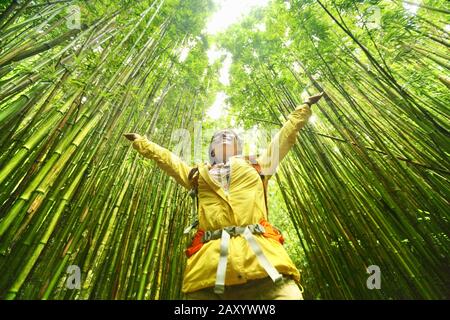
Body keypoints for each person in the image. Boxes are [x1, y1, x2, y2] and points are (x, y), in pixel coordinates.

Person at [124, 92, 324, 300]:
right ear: (212, 150)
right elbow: (168, 160)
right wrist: (142, 143)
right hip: (209, 277)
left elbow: (286, 135)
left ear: (238, 147)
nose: (225, 136)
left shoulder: (258, 166)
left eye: (231, 136)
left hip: (267, 271)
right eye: (219, 137)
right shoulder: (197, 176)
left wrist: (305, 106)